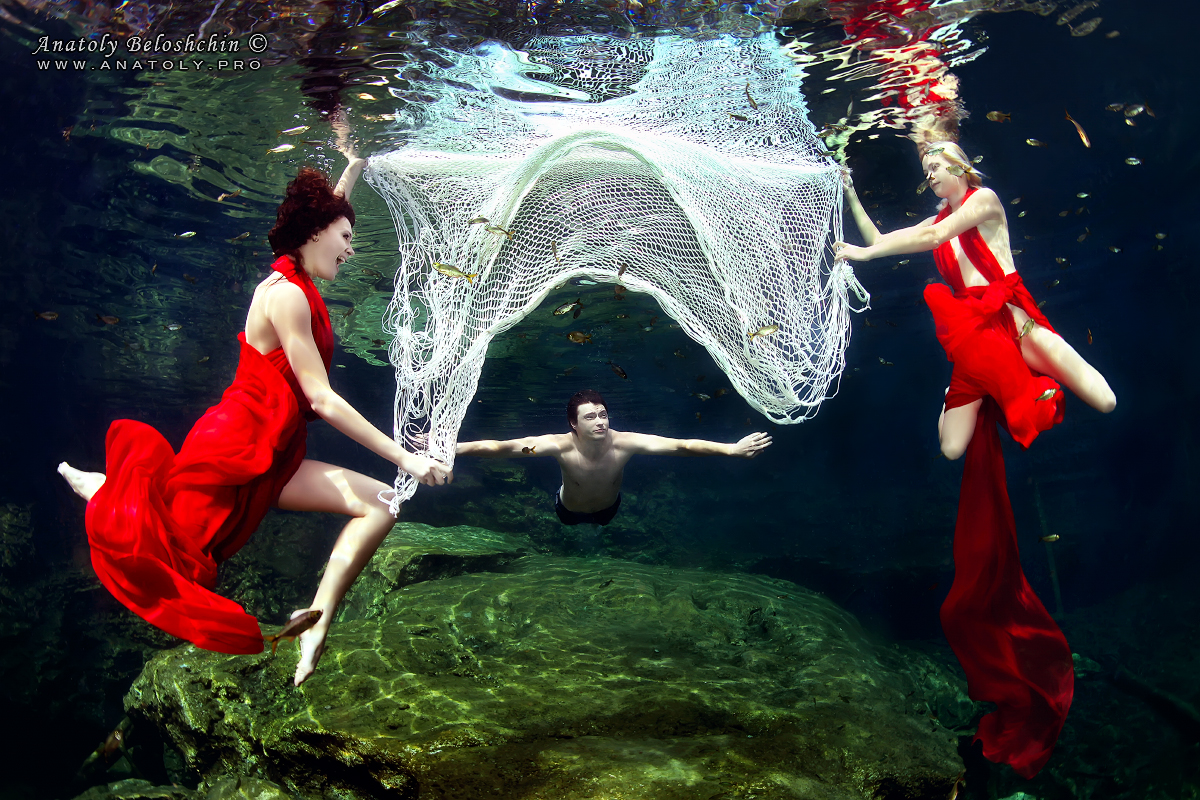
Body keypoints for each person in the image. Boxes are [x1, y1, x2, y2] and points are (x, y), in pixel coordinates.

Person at [58, 120, 451, 686]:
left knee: (382, 505)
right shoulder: (287, 294)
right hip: (239, 446)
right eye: (345, 237)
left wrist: (354, 164)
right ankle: (103, 491)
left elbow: (329, 209)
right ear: (315, 233)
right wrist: (408, 458)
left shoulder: (299, 272)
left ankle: (315, 623)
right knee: (174, 553)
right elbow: (321, 397)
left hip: (278, 449)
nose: (351, 248)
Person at [833, 139, 1116, 779]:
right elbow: (896, 235)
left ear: (963, 168)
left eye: (938, 166)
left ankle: (1025, 384)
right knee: (953, 446)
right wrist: (850, 198)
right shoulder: (938, 218)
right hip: (973, 344)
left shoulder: (982, 201)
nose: (929, 174)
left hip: (1014, 321)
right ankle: (984, 387)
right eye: (926, 169)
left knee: (1103, 398)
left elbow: (909, 239)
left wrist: (874, 251)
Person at [455, 389, 772, 525]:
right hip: (566, 511)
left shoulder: (626, 443)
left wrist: (731, 449)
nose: (600, 422)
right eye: (590, 417)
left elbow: (683, 445)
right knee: (570, 522)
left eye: (603, 414)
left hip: (610, 510)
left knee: (602, 523)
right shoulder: (555, 446)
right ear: (573, 424)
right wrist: (453, 448)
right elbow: (504, 448)